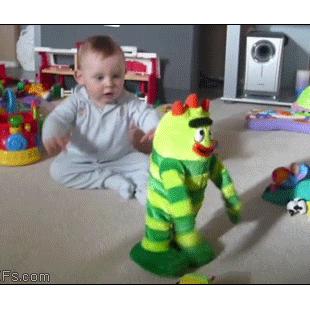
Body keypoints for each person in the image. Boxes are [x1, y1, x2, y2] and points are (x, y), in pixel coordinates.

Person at [42, 35, 160, 205]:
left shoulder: (128, 101)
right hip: (82, 159)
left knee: (146, 164)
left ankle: (147, 194)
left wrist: (153, 126)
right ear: (80, 77)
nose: (109, 84)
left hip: (121, 158)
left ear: (125, 74)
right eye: (99, 78)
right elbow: (58, 118)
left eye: (116, 76)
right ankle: (107, 180)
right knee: (58, 170)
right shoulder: (77, 101)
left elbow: (145, 112)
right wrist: (52, 133)